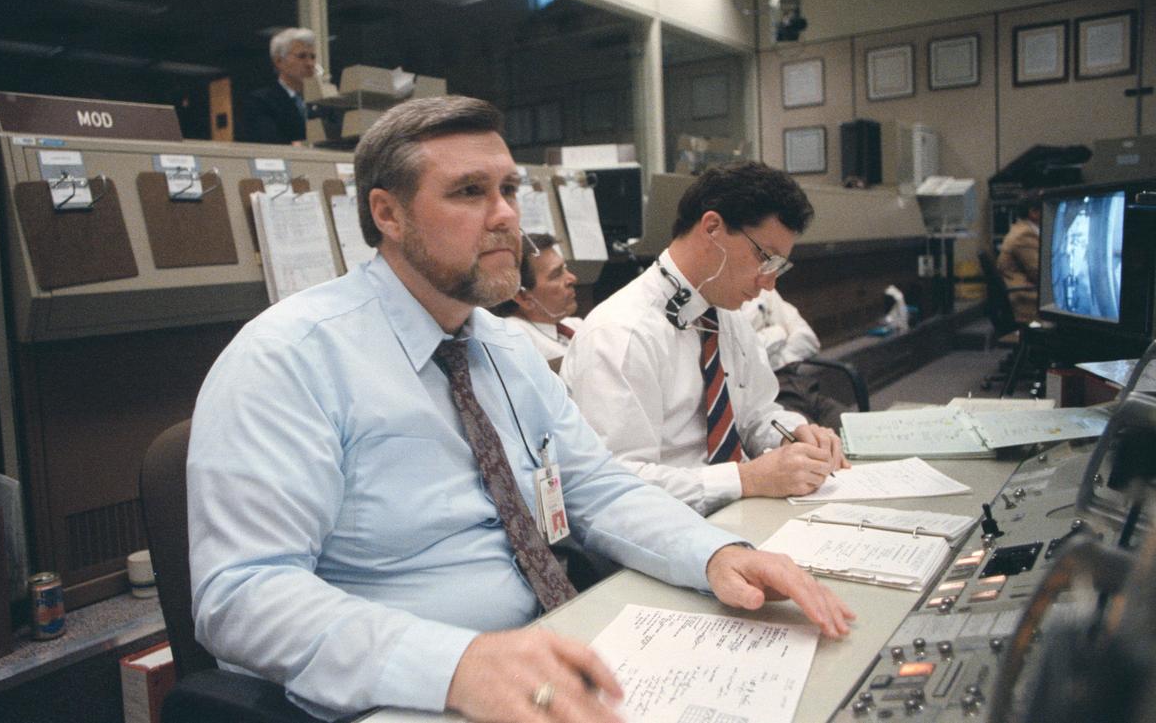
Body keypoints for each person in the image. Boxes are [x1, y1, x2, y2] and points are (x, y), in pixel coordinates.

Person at [188, 98, 853, 723]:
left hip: (550, 653)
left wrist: (714, 554)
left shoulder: (504, 348)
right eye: (469, 192)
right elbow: (240, 595)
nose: (507, 214)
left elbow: (596, 488)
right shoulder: (289, 358)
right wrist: (455, 664)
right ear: (387, 215)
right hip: (406, 693)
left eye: (508, 189)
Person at [560, 164, 849, 517]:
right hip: (665, 528)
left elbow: (756, 414)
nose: (769, 283)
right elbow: (614, 484)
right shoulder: (621, 332)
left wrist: (795, 433)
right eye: (765, 258)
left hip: (736, 513)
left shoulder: (726, 314)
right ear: (712, 227)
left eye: (779, 267)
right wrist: (746, 479)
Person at [747, 288, 847, 430]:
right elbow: (742, 356)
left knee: (858, 433)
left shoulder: (763, 287)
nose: (769, 278)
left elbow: (808, 339)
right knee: (819, 446)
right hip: (766, 396)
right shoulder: (721, 300)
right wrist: (779, 332)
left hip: (801, 384)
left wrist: (768, 356)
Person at [490, 232, 583, 364]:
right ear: (523, 297)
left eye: (565, 268)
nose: (572, 278)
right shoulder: (512, 339)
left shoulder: (575, 324)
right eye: (556, 274)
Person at [238, 27, 340, 145]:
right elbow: (268, 142)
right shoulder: (260, 102)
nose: (310, 64)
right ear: (279, 61)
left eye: (312, 57)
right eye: (302, 56)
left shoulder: (323, 104)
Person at [997, 196, 1040, 323]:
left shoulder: (1022, 229)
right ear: (1033, 212)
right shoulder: (1025, 235)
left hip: (1025, 291)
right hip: (1025, 297)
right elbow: (1039, 274)